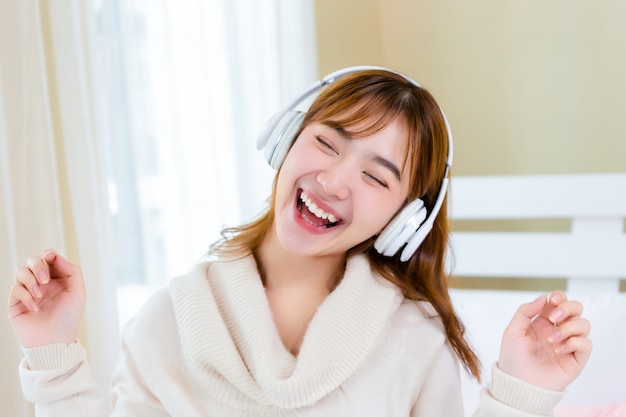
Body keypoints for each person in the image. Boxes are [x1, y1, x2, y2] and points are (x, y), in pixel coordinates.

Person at [8, 66, 592, 416]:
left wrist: (519, 390)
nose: (335, 182)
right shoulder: (171, 320)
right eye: (327, 143)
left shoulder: (412, 342)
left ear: (403, 221)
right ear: (285, 140)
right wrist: (52, 351)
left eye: (375, 176)